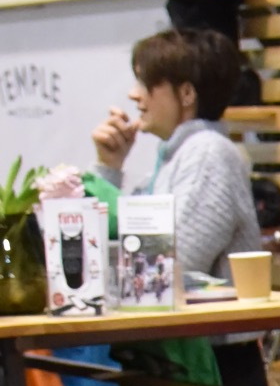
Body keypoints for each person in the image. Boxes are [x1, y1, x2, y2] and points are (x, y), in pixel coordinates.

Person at [92, 26, 259, 281]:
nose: (133, 94)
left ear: (186, 94)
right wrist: (109, 166)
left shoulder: (208, 153)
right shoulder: (180, 154)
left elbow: (165, 267)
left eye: (145, 83)